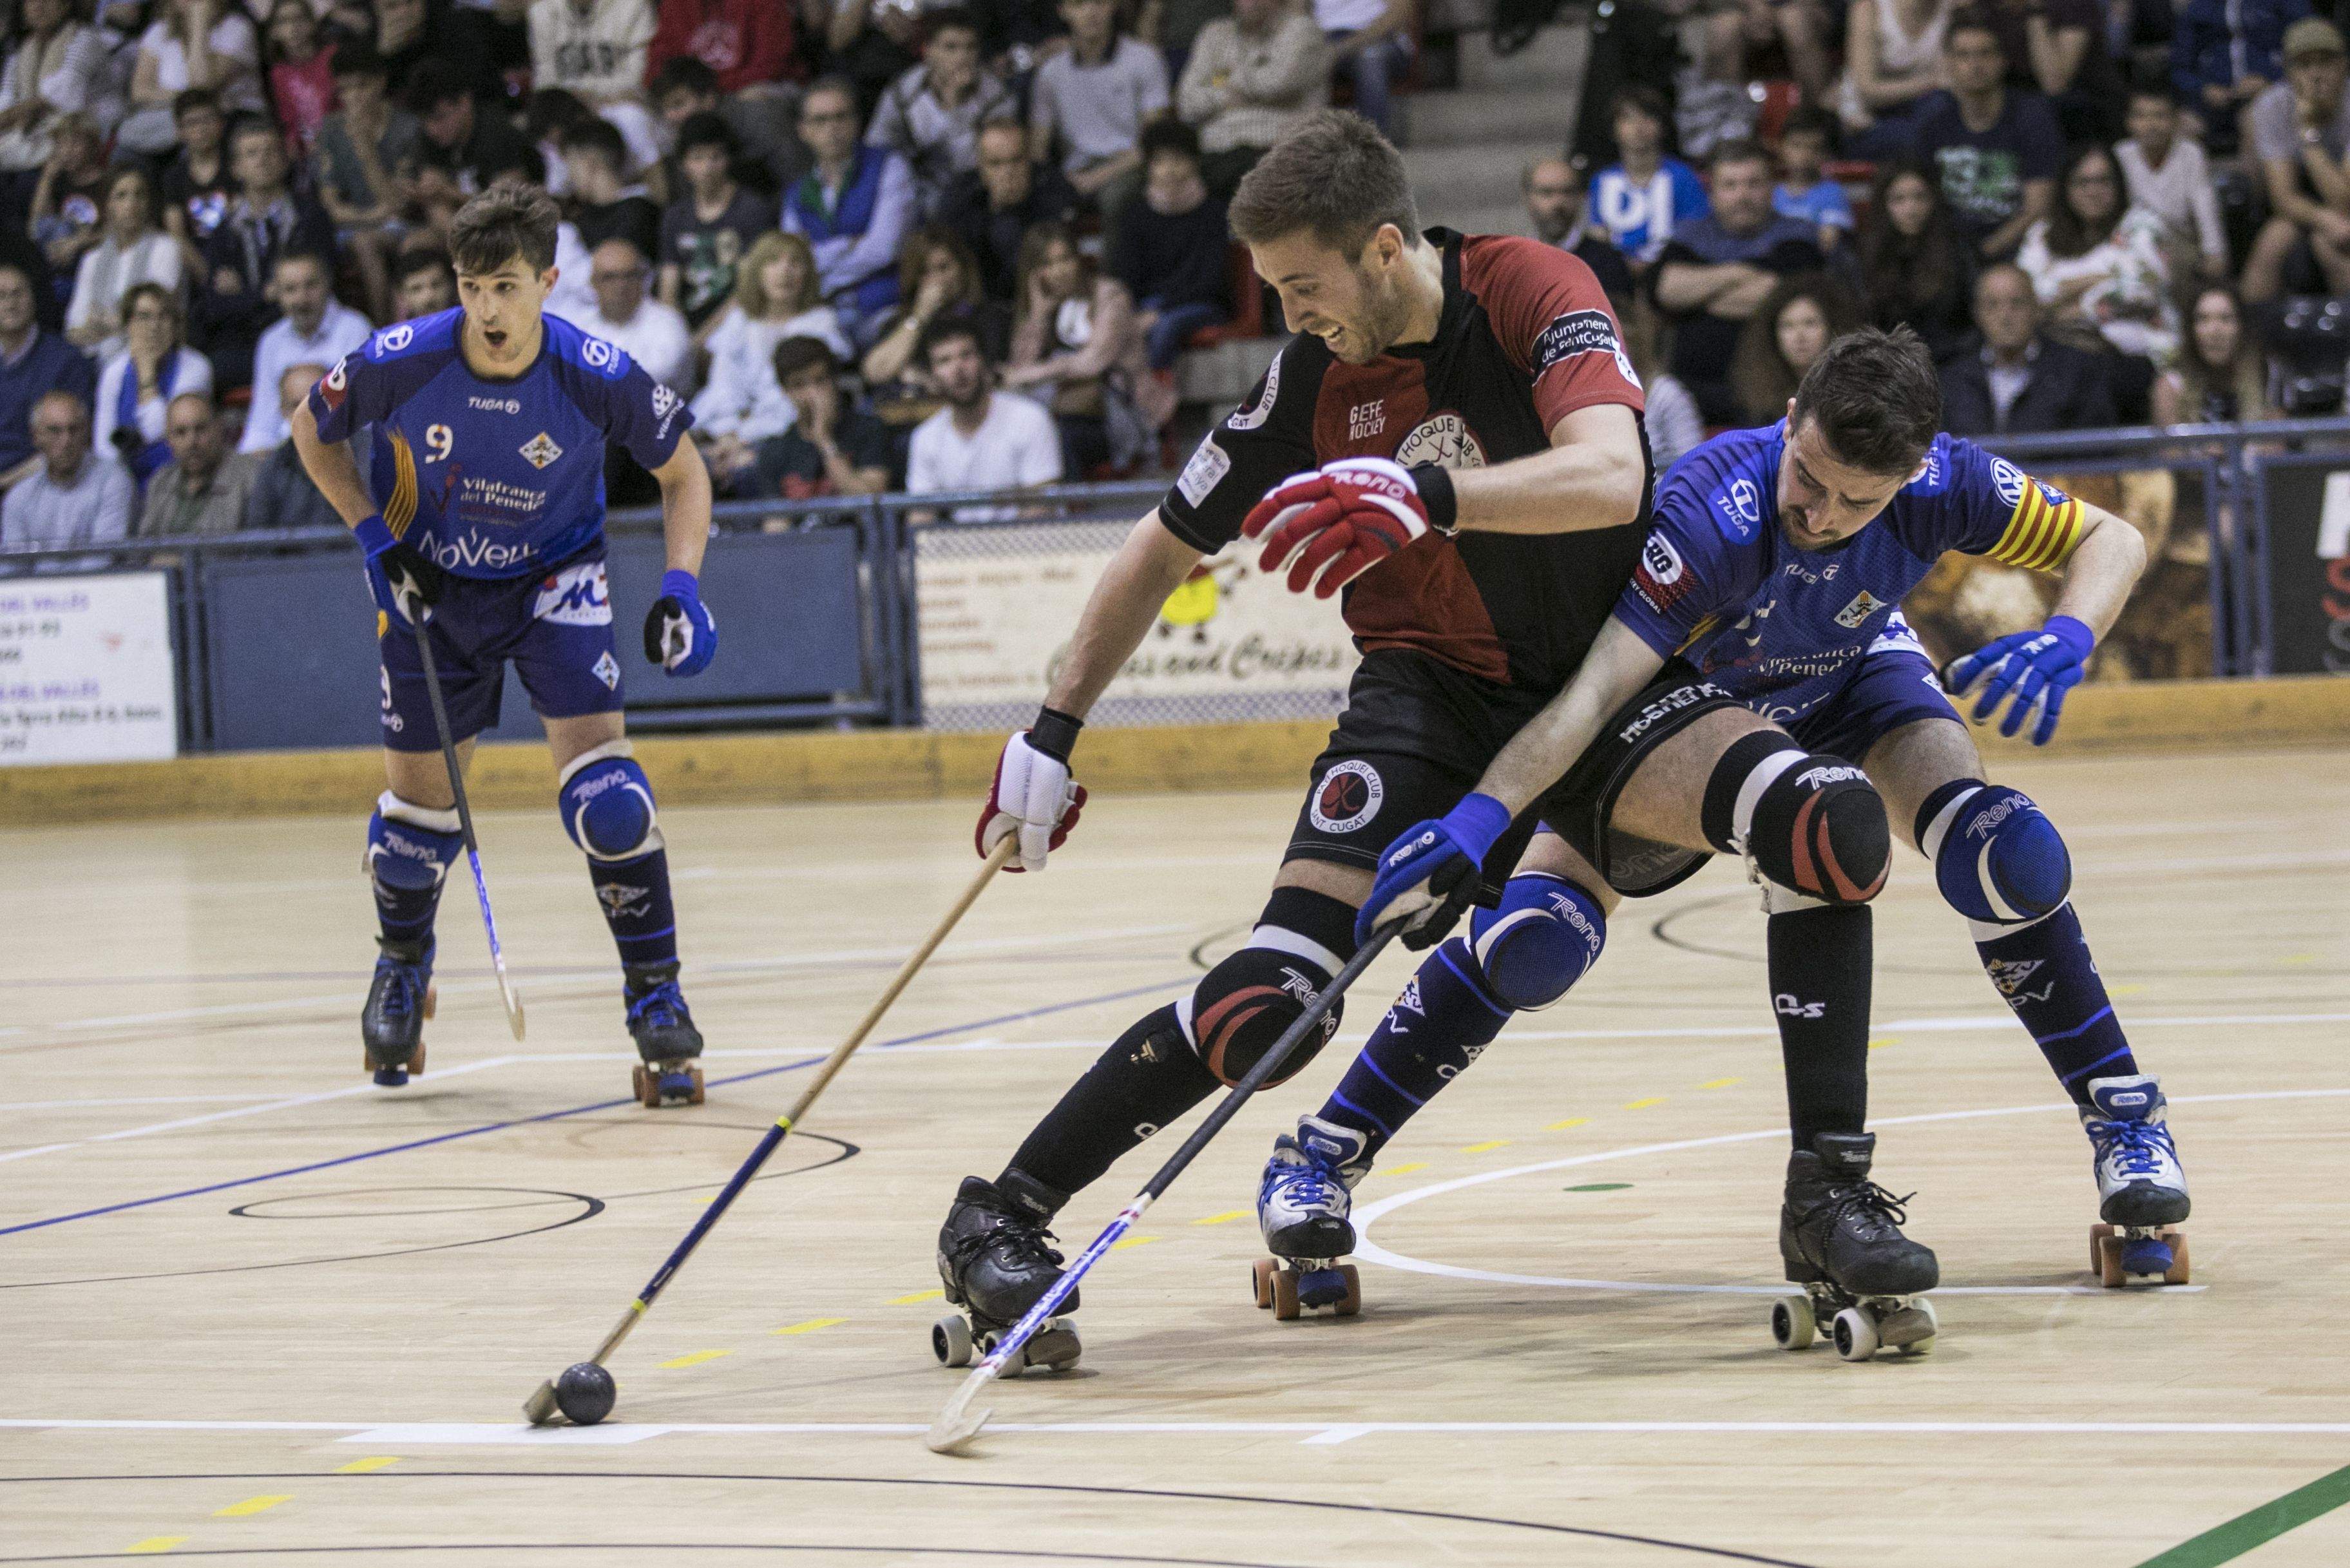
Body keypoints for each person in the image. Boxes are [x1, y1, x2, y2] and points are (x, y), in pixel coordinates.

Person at [928, 109, 1648, 1353]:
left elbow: (1612, 474)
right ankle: (1001, 1214)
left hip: (1605, 684)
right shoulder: (1308, 377)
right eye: (1269, 292)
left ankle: (1833, 1186)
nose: (1287, 316)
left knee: (1746, 853)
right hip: (1422, 697)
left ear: (1382, 248)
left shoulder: (1530, 286)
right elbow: (1162, 543)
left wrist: (1427, 494)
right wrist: (1053, 726)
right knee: (1273, 1000)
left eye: (1301, 287)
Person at [1346, 326, 2185, 1328]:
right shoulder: (1709, 507)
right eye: (1811, 479)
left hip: (1849, 669)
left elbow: (2115, 539)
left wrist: (2070, 630)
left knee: (2006, 850)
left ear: (1912, 474)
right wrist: (1484, 815)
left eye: (1858, 501)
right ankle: (1324, 1149)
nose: (1823, 515)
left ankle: (2124, 1119)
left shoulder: (1945, 480)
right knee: (1536, 943)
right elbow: (1592, 693)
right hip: (1693, 705)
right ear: (1791, 420)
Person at [290, 184, 723, 1102]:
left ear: (549, 282)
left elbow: (685, 473)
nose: (488, 309)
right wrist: (375, 538)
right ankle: (402, 966)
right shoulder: (401, 359)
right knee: (414, 833)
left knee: (612, 802)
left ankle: (656, 995)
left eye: (508, 287)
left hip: (555, 582)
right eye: (472, 286)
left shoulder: (594, 368)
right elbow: (310, 432)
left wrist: (682, 586)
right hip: (432, 591)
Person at [1652, 138, 1826, 424]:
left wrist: (1701, 294)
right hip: (1692, 391)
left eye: (1753, 184)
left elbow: (1784, 293)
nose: (1742, 195)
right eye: (1730, 185)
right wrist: (1742, 275)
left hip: (1777, 396)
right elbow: (1666, 289)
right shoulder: (1688, 235)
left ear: (1772, 187)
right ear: (1712, 191)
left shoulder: (1799, 235)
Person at [691, 230, 852, 490]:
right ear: (757, 272)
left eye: (795, 263)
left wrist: (743, 439)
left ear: (807, 274)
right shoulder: (739, 321)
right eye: (773, 261)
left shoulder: (820, 323)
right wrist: (727, 435)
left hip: (789, 438)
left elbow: (797, 401)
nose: (785, 271)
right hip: (730, 436)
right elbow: (723, 386)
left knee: (748, 470)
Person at [1003, 220, 1163, 474]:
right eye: (1047, 264)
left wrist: (1035, 374)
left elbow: (1093, 362)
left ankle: (1067, 509)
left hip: (1120, 410)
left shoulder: (1110, 296)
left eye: (1065, 259)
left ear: (1078, 259)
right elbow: (1019, 370)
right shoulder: (1045, 307)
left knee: (1059, 434)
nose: (1059, 270)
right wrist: (1039, 315)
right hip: (1066, 410)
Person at [195, 114, 336, 392]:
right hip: (243, 344)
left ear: (285, 162)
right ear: (236, 168)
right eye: (252, 153)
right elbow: (214, 306)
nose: (262, 160)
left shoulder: (311, 218)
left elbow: (321, 287)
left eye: (271, 151)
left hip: (304, 335)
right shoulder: (224, 230)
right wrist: (264, 294)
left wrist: (246, 295)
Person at [2015, 143, 2179, 365]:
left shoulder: (2142, 226)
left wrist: (2069, 311)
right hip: (2058, 356)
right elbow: (2025, 293)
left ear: (2118, 185)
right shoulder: (2042, 234)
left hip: (2136, 358)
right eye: (2082, 182)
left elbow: (2142, 289)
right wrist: (2095, 281)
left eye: (2103, 181)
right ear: (2066, 187)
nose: (2093, 191)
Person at [1913, 15, 2060, 260]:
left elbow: (2038, 208)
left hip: (2018, 249)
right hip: (1950, 251)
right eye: (1963, 55)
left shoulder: (2033, 118)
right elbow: (1923, 199)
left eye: (1985, 54)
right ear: (1948, 63)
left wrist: (1984, 252)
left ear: (2003, 61)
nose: (1975, 65)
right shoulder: (1933, 121)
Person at [781, 77, 917, 343]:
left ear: (857, 123)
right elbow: (793, 262)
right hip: (820, 314)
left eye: (841, 117)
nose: (832, 128)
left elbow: (885, 249)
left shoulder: (890, 167)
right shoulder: (796, 193)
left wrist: (821, 265)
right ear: (803, 130)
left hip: (885, 307)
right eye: (820, 120)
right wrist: (848, 245)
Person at [904, 314, 1062, 519]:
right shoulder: (925, 437)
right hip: (964, 549)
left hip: (1033, 547)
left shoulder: (1030, 418)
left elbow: (1040, 508)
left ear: (983, 361)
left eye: (966, 355)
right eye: (944, 361)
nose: (958, 369)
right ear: (932, 375)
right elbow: (920, 518)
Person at [864, 8, 1014, 215]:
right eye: (951, 47)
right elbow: (877, 147)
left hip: (973, 196)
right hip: (912, 191)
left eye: (970, 48)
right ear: (929, 51)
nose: (963, 57)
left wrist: (956, 102)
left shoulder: (997, 98)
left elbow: (983, 164)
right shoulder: (903, 92)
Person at [1107, 120, 1230, 371]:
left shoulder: (1213, 213)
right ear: (1149, 167)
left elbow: (1210, 282)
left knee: (1164, 327)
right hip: (1149, 304)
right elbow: (1127, 277)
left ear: (1194, 162)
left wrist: (1159, 311)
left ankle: (1153, 400)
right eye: (1159, 162)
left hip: (1202, 304)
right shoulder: (1135, 214)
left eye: (1178, 160)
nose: (1169, 170)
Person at [2242, 18, 2350, 302]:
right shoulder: (2272, 106)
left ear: (2343, 65)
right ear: (2289, 72)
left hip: (2345, 198)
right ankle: (2253, 343)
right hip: (2306, 204)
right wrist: (2323, 219)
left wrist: (2308, 132)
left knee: (2334, 250)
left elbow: (2344, 200)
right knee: (2270, 245)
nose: (2315, 74)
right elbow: (2282, 196)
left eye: (2325, 63)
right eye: (2304, 65)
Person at [1939, 262, 2116, 434]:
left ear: (2035, 309)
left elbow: (2092, 453)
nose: (2005, 317)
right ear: (1977, 314)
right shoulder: (1952, 380)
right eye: (1992, 305)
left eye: (2017, 303)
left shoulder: (2078, 373)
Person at [1176, 0, 1330, 198]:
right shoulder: (1215, 33)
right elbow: (1187, 103)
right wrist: (1227, 96)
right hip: (1215, 153)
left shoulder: (1301, 30)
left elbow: (1277, 84)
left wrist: (1222, 83)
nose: (1253, 3)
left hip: (1274, 150)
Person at [1027, 0, 1170, 214]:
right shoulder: (1050, 73)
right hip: (1073, 171)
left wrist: (1099, 177)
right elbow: (1038, 148)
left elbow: (1154, 140)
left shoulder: (1145, 59)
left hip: (1130, 164)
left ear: (1113, 5)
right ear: (1062, 11)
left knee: (1115, 198)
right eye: (1078, 4)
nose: (1091, 12)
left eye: (1099, 2)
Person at [314, 46, 421, 323]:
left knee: (378, 242)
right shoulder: (332, 129)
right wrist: (371, 216)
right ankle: (380, 328)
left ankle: (392, 326)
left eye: (362, 86)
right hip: (353, 226)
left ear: (380, 82)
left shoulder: (407, 127)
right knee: (363, 242)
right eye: (345, 90)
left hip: (401, 224)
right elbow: (331, 205)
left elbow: (398, 205)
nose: (355, 97)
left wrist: (365, 150)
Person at [238, 250, 373, 454]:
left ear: (327, 284)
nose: (301, 299)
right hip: (286, 456)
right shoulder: (271, 341)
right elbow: (262, 421)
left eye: (310, 285)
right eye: (291, 289)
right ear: (278, 294)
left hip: (344, 452)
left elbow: (364, 417)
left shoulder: (355, 329)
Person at [656, 112, 776, 335]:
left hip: (738, 321)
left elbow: (748, 287)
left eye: (716, 157)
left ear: (729, 159)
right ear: (684, 164)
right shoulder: (675, 216)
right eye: (698, 158)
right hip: (686, 322)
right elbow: (668, 288)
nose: (707, 168)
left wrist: (701, 340)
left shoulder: (752, 210)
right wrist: (673, 335)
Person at [940, 117, 1080, 303]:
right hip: (982, 306)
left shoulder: (1053, 188)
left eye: (1016, 160)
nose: (1008, 172)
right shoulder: (960, 198)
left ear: (1029, 158)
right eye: (996, 164)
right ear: (980, 165)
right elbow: (957, 263)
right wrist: (996, 210)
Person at [859, 225, 1008, 395]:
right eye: (925, 272)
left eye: (944, 268)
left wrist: (922, 378)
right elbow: (874, 373)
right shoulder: (903, 325)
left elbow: (991, 375)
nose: (937, 280)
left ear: (962, 268)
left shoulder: (991, 318)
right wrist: (919, 317)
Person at [95, 282, 215, 486]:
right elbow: (104, 448)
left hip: (177, 478)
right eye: (144, 317)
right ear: (128, 325)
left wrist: (147, 377)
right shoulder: (114, 372)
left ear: (175, 325)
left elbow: (163, 430)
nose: (154, 327)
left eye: (164, 317)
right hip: (125, 483)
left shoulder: (195, 366)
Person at [0, 0, 116, 207]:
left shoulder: (85, 39)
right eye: (30, 1)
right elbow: (7, 98)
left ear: (65, 6)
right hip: (33, 135)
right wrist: (12, 115)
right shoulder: (21, 49)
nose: (38, 7)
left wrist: (13, 115)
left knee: (27, 183)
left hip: (80, 135)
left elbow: (63, 94)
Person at [1857, 162, 1974, 360]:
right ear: (1884, 205)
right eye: (1899, 199)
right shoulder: (1865, 255)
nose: (1911, 209)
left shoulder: (1958, 252)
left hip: (1949, 363)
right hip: (1884, 368)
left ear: (1934, 201)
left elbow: (1968, 324)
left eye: (1920, 197)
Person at [528, 0, 661, 174]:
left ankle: (648, 195)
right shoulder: (542, 12)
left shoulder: (633, 5)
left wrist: (588, 96)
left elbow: (637, 76)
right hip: (567, 109)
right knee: (548, 136)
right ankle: (561, 198)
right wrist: (582, 100)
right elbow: (545, 82)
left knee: (632, 118)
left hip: (620, 103)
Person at [752, 334, 892, 498]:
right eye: (799, 385)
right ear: (785, 391)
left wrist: (824, 439)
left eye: (820, 381)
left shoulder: (869, 430)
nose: (813, 394)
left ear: (835, 380)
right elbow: (776, 522)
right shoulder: (775, 451)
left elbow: (870, 501)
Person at [66, 165, 181, 358]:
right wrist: (115, 324)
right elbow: (73, 328)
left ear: (148, 203)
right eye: (121, 196)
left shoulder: (166, 249)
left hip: (150, 354)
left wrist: (103, 323)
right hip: (93, 355)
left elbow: (152, 316)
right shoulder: (91, 260)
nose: (131, 204)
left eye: (139, 195)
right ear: (108, 205)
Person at [0, 258, 96, 490]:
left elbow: (73, 444)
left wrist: (6, 484)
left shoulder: (67, 361)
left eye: (18, 294)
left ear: (33, 299)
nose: (10, 303)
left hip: (42, 487)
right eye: (2, 295)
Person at [0, 390, 131, 560]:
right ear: (36, 436)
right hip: (38, 586)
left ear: (87, 432)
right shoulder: (20, 496)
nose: (66, 440)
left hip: (96, 585)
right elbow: (13, 569)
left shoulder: (113, 481)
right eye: (55, 431)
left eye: (74, 429)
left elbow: (103, 561)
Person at [1587, 85, 1708, 267]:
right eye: (1627, 118)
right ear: (1614, 129)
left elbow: (1695, 233)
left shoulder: (1684, 177)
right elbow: (1597, 234)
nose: (1639, 127)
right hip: (1616, 275)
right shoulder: (1601, 180)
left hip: (1671, 271)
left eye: (1648, 117)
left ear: (1663, 126)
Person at [122, 0, 263, 156]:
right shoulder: (159, 31)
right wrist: (185, 97)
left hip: (231, 118)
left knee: (192, 139)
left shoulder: (236, 28)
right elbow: (139, 91)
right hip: (175, 118)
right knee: (126, 149)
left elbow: (202, 85)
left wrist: (198, 23)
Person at [2116, 87, 2229, 282]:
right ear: (2129, 122)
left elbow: (2205, 206)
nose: (2151, 125)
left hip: (2179, 243)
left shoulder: (2191, 153)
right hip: (2130, 243)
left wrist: (2214, 253)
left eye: (2160, 116)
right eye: (2141, 117)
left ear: (2175, 121)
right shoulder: (2120, 155)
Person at [1729, 272, 1860, 423]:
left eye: (1810, 323)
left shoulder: (1852, 391)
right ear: (1773, 335)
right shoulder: (1758, 397)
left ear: (1832, 329)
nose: (1799, 336)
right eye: (1788, 326)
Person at [2172, 0, 2298, 156]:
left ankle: (2256, 180)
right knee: (2183, 128)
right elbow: (2179, 67)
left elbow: (2302, 51)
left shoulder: (2282, 4)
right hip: (2210, 100)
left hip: (2265, 94)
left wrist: (2269, 79)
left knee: (2255, 122)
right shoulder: (2198, 7)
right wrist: (2203, 89)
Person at [247, 361, 359, 529]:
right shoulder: (273, 467)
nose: (307, 414)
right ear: (284, 412)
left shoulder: (372, 455)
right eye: (296, 406)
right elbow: (256, 542)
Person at [1834, 0, 1953, 158]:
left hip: (1921, 110)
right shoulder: (1870, 8)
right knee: (1923, 137)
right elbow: (1867, 91)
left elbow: (1951, 80)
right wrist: (1931, 83)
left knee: (1939, 107)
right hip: (1865, 121)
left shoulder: (1953, 9)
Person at [136, 390, 261, 535]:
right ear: (169, 439)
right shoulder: (161, 482)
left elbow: (256, 550)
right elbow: (142, 549)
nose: (192, 442)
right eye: (181, 432)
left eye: (201, 429)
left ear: (219, 428)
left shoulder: (251, 477)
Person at [577, 236, 691, 388]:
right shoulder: (579, 325)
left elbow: (648, 380)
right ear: (593, 283)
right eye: (609, 277)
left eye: (629, 276)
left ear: (643, 278)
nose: (621, 285)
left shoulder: (668, 323)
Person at [1520, 155, 1634, 305]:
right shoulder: (1513, 264)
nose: (1558, 203)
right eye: (1547, 193)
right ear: (1527, 198)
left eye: (1567, 192)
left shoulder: (1607, 260)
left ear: (1581, 197)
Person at [2153, 286, 2277, 425]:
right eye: (2203, 319)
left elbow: (2275, 444)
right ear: (2191, 330)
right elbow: (2172, 447)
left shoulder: (2266, 378)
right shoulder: (2171, 386)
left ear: (2242, 327)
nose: (2215, 331)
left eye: (2226, 318)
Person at [647, 0, 798, 96]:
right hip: (696, 95)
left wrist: (708, 90)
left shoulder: (766, 3)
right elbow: (658, 64)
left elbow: (770, 66)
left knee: (756, 98)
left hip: (755, 87)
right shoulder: (674, 5)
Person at [1312, 0, 1413, 140]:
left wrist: (1345, 47)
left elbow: (1397, 14)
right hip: (1320, 39)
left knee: (1370, 57)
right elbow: (1295, 14)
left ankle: (1372, 146)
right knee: (1302, 59)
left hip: (1379, 38)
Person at [159, 89, 234, 255]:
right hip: (196, 265)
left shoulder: (237, 167)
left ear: (221, 124)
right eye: (192, 122)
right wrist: (207, 276)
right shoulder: (174, 177)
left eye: (207, 120)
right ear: (180, 131)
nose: (201, 129)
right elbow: (177, 237)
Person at [1773, 106, 1853, 253]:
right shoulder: (1770, 193)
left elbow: (1828, 243)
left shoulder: (1833, 193)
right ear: (1781, 147)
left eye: (1814, 148)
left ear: (1827, 154)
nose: (1804, 155)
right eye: (1797, 145)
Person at [262, 0, 336, 155]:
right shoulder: (278, 73)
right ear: (274, 31)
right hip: (309, 152)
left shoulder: (331, 56)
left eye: (299, 19)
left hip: (341, 140)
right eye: (284, 22)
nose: (293, 28)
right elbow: (290, 120)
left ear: (313, 24)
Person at [395, 248, 457, 320]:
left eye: (437, 284)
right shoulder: (393, 330)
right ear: (402, 296)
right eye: (416, 289)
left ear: (451, 285)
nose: (428, 297)